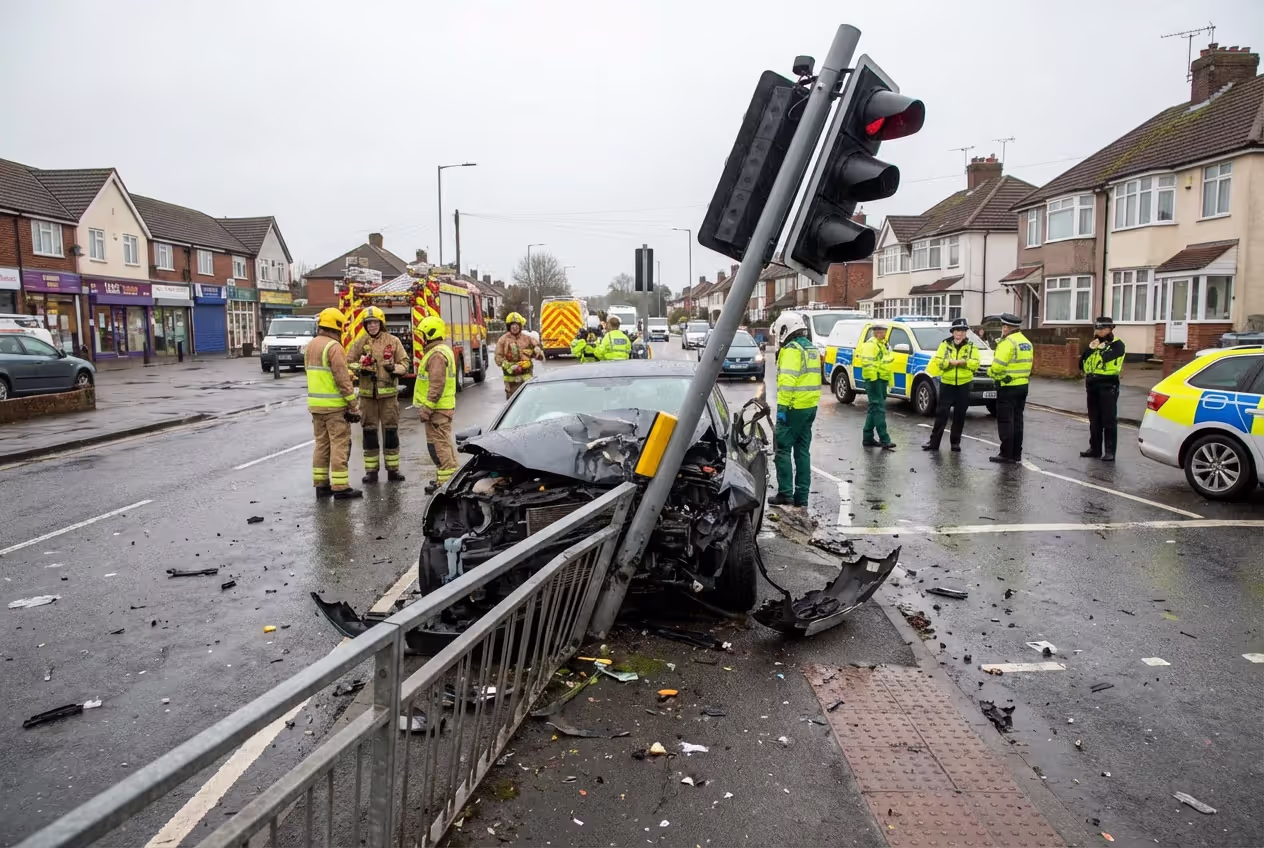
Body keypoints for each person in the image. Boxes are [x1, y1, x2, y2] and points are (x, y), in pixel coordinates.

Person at [346, 306, 409, 483]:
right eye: (368, 323)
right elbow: (349, 362)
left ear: (381, 323)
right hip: (367, 397)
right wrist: (362, 369)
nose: (372, 326)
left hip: (388, 397)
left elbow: (405, 363)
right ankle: (371, 471)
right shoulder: (360, 342)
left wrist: (394, 369)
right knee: (369, 432)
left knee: (390, 432)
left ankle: (393, 470)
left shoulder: (393, 341)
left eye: (375, 323)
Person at [306, 308, 361, 500]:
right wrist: (352, 403)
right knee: (340, 443)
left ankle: (321, 486)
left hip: (316, 406)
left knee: (321, 444)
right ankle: (340, 486)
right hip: (334, 407)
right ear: (337, 326)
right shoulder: (334, 347)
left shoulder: (311, 345)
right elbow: (341, 377)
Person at [770, 314, 821, 507]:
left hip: (793, 409)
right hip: (809, 408)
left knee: (782, 449)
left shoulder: (792, 350)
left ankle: (785, 493)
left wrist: (782, 409)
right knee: (802, 452)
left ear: (785, 330)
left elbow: (787, 382)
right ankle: (802, 496)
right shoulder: (810, 348)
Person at [413, 315, 458, 494]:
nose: (421, 338)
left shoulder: (437, 355)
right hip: (441, 407)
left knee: (440, 445)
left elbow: (436, 384)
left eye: (423, 335)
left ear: (430, 334)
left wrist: (427, 408)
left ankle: (446, 484)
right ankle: (446, 478)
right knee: (442, 443)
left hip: (437, 409)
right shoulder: (440, 351)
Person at [923, 318, 980, 452]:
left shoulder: (971, 346)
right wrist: (950, 363)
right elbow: (939, 362)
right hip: (947, 384)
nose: (959, 334)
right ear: (953, 332)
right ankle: (933, 443)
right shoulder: (945, 345)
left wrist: (963, 363)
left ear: (965, 333)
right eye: (957, 331)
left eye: (962, 331)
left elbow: (975, 364)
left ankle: (955, 443)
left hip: (964, 384)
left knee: (959, 415)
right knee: (941, 414)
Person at [986, 313, 1034, 464]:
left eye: (1003, 326)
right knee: (1018, 421)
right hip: (1023, 386)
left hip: (1007, 387)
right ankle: (1016, 453)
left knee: (1006, 421)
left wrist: (990, 372)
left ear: (1006, 327)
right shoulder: (1026, 342)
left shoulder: (1007, 343)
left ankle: (1006, 453)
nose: (1003, 329)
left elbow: (998, 367)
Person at [1080, 316, 1125, 462]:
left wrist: (1101, 347)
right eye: (1097, 329)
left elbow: (1107, 358)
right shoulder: (1094, 344)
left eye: (1102, 329)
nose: (1099, 332)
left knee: (1108, 419)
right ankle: (1095, 449)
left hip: (1108, 385)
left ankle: (1110, 451)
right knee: (1094, 419)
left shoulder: (1117, 345)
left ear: (1109, 329)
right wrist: (1090, 349)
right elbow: (1081, 363)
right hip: (1092, 385)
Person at [857, 322, 897, 450]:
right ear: (874, 332)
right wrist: (873, 382)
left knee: (873, 409)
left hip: (881, 379)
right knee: (879, 409)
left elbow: (886, 364)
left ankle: (867, 438)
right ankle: (884, 439)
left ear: (886, 332)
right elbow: (868, 365)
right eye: (877, 331)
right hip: (875, 380)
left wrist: (888, 382)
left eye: (882, 331)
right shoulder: (871, 345)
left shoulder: (883, 344)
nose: (880, 333)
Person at [495, 312, 542, 399]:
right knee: (511, 403)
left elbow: (538, 354)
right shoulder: (503, 340)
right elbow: (498, 357)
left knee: (528, 400)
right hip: (510, 381)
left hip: (526, 378)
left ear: (520, 326)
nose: (515, 327)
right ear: (509, 326)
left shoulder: (527, 338)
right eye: (512, 325)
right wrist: (506, 364)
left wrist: (537, 350)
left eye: (517, 325)